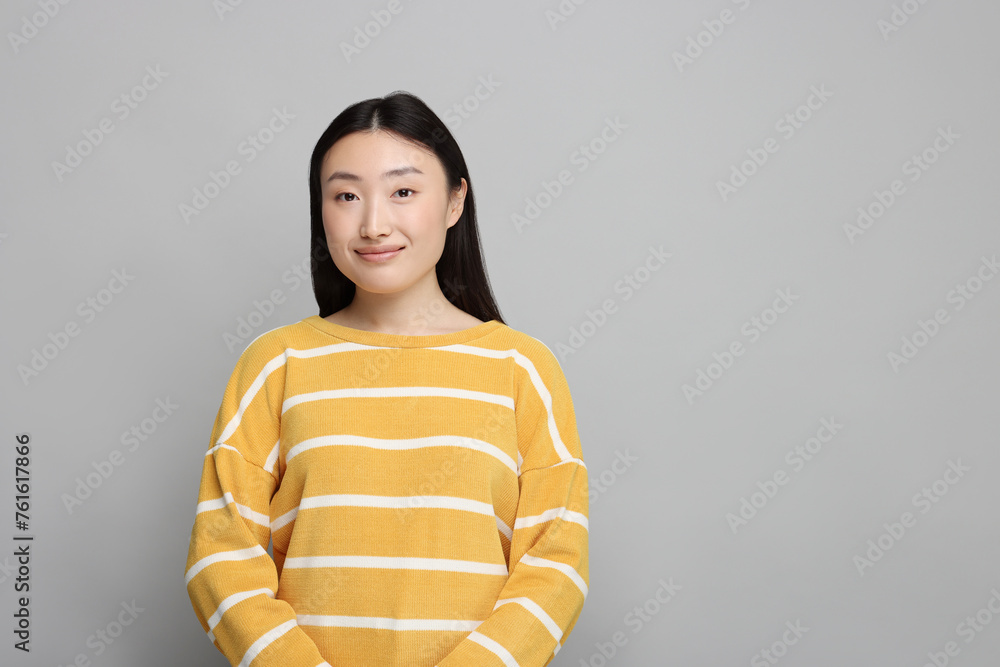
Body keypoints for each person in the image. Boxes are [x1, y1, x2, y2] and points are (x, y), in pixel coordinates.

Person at [184, 90, 589, 666]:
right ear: (319, 209)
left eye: (403, 191)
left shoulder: (522, 369)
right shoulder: (276, 363)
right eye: (346, 195)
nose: (373, 223)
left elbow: (556, 563)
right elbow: (220, 559)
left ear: (454, 202)